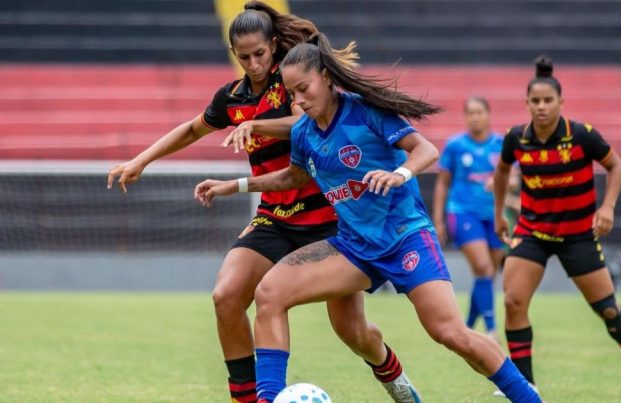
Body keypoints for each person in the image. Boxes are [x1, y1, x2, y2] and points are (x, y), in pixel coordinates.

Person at [194, 34, 541, 403]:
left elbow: (425, 149)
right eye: (292, 94)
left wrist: (400, 175)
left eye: (303, 89)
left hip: (405, 236)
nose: (298, 101)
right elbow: (294, 177)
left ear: (326, 76)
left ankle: (529, 398)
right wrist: (236, 185)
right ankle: (268, 398)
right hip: (354, 247)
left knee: (450, 333)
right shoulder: (304, 132)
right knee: (270, 293)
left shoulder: (366, 111)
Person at [106, 3, 420, 402]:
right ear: (234, 54)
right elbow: (191, 129)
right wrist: (141, 160)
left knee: (353, 332)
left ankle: (395, 379)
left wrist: (254, 124)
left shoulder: (290, 82)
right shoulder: (233, 98)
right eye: (244, 57)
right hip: (276, 216)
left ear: (273, 45)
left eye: (260, 53)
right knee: (226, 297)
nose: (254, 63)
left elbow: (304, 120)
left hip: (328, 219)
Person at [492, 56, 621, 398]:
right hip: (532, 232)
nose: (542, 106)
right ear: (527, 104)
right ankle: (526, 384)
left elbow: (616, 165)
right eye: (536, 101)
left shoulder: (581, 135)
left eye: (548, 100)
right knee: (514, 302)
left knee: (608, 309)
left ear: (561, 102)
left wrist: (607, 207)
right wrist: (499, 213)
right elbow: (502, 171)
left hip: (577, 235)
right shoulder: (516, 138)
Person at [432, 96, 505, 337]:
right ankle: (492, 330)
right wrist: (439, 220)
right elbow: (442, 184)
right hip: (462, 213)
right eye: (470, 113)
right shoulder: (455, 146)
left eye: (479, 112)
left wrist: (502, 182)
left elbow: (515, 179)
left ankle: (468, 327)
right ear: (466, 117)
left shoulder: (501, 144)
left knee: (487, 274)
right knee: (483, 267)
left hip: (494, 215)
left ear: (488, 114)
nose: (475, 117)